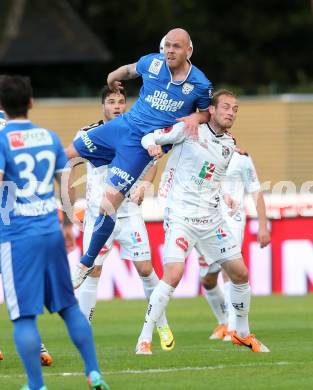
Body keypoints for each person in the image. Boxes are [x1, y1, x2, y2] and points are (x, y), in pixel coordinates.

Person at [67, 28, 213, 287]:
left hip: (142, 147)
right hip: (123, 126)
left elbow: (205, 114)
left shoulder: (200, 84)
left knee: (108, 203)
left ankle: (85, 262)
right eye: (167, 45)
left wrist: (196, 117)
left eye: (176, 46)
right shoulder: (153, 63)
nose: (170, 50)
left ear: (188, 50)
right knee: (67, 154)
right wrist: (113, 76)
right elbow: (130, 69)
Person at [136, 89, 270, 354]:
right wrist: (151, 145)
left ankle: (241, 333)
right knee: (173, 275)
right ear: (212, 109)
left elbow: (209, 176)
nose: (231, 112)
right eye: (226, 107)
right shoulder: (188, 128)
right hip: (181, 216)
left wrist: (223, 197)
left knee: (241, 274)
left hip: (211, 219)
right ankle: (145, 337)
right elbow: (151, 136)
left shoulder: (230, 145)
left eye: (235, 109)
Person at [0, 75, 109, 390]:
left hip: (17, 235)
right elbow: (64, 187)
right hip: (50, 229)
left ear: (3, 107)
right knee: (68, 307)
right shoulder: (48, 137)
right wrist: (65, 225)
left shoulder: (3, 141)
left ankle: (36, 385)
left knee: (23, 316)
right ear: (31, 103)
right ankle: (94, 372)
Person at [77, 86, 174, 351]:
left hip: (129, 212)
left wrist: (144, 184)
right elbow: (77, 163)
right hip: (100, 214)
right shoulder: (88, 134)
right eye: (111, 101)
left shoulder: (139, 134)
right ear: (103, 106)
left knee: (145, 269)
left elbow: (153, 163)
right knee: (92, 270)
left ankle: (159, 322)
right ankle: (84, 333)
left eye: (121, 101)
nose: (117, 106)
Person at [198, 148, 271, 341]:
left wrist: (263, 226)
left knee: (229, 269)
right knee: (207, 279)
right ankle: (224, 322)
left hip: (232, 218)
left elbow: (256, 192)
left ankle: (234, 328)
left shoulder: (242, 158)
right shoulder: (205, 152)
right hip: (206, 220)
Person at [0, 110, 53, 366]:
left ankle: (36, 344)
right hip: (16, 216)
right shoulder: (9, 124)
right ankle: (37, 345)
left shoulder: (5, 124)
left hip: (10, 215)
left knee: (19, 284)